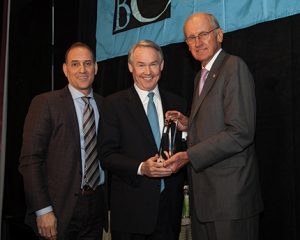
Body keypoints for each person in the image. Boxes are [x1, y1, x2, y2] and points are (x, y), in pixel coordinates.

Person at [164, 13, 264, 240]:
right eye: (191, 38)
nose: (197, 42)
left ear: (219, 35)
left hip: (230, 199)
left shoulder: (233, 67)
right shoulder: (201, 75)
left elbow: (241, 132)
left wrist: (188, 155)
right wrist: (189, 123)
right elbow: (217, 124)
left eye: (203, 34)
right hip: (206, 199)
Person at [19, 42, 108, 240]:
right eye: (75, 64)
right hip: (58, 208)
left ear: (96, 67)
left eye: (87, 63)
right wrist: (43, 210)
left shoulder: (105, 105)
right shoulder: (46, 103)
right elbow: (30, 160)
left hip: (96, 206)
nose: (82, 70)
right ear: (65, 69)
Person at [100, 40, 187, 240]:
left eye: (153, 64)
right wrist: (141, 167)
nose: (148, 71)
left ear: (162, 66)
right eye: (141, 64)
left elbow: (187, 146)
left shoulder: (177, 102)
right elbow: (106, 155)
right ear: (130, 67)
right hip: (132, 212)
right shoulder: (113, 104)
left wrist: (188, 131)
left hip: (169, 210)